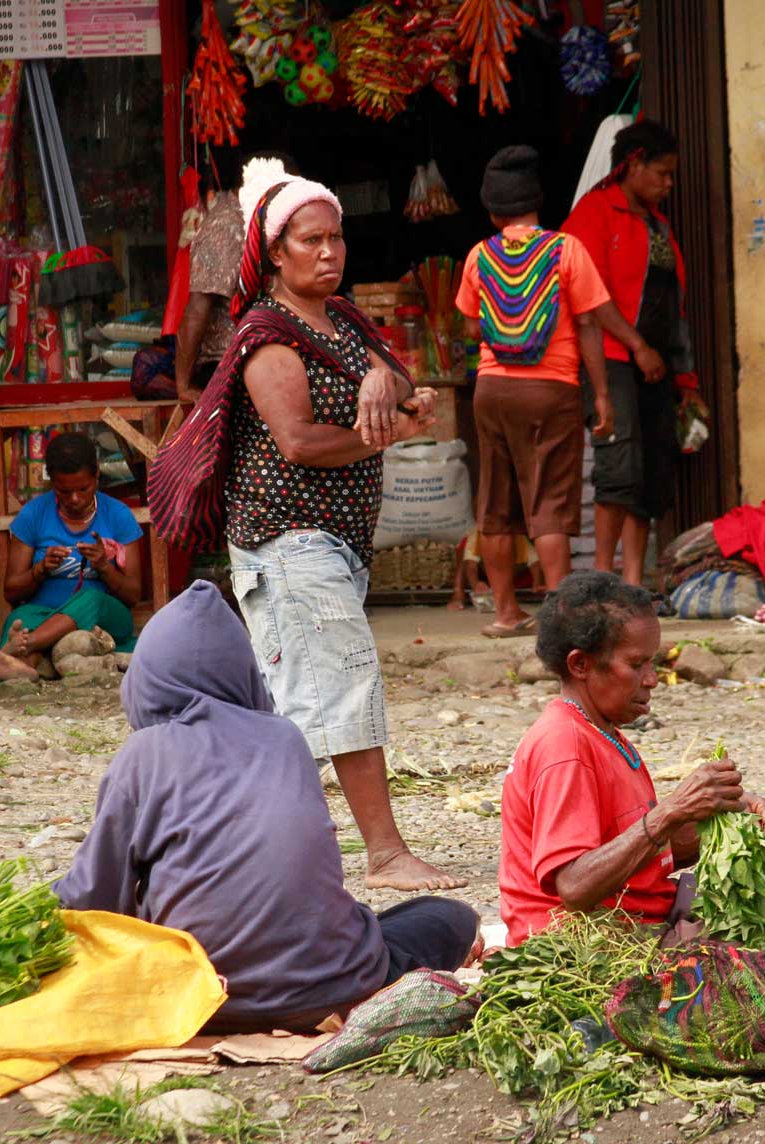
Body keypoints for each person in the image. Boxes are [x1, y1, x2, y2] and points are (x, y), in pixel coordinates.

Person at [56, 581, 479, 1032]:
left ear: (147, 679)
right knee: (452, 916)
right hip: (330, 988)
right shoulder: (284, 738)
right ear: (243, 672)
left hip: (199, 1002)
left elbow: (91, 898)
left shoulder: (143, 754)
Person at [221, 164, 461, 892]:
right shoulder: (267, 336)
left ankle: (255, 853)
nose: (328, 252)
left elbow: (412, 394)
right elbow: (296, 441)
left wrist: (384, 384)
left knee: (302, 704)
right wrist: (383, 432)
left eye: (336, 238)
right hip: (287, 539)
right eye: (310, 240)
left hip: (333, 541)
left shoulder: (344, 320)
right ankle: (385, 855)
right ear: (275, 252)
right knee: (346, 687)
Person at [499, 572, 765, 945]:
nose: (652, 680)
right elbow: (575, 886)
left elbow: (640, 858)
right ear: (580, 665)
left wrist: (726, 821)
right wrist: (670, 812)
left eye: (653, 663)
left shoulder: (602, 732)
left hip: (632, 922)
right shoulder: (564, 745)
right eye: (637, 665)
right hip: (585, 948)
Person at [455, 145, 648, 637]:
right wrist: (601, 395)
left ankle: (504, 613)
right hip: (552, 389)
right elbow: (588, 327)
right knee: (548, 508)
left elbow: (472, 325)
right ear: (538, 201)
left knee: (495, 507)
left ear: (493, 209)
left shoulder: (479, 255)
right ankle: (558, 621)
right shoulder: (566, 250)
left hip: (492, 390)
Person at [561, 120, 699, 586]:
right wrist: (637, 346)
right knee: (617, 469)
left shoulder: (658, 225)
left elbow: (673, 304)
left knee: (651, 474)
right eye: (661, 173)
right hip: (614, 361)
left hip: (656, 366)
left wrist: (686, 379)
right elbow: (590, 295)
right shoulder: (594, 213)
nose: (668, 184)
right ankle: (603, 577)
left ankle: (635, 582)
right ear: (633, 164)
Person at [0, 431, 143, 671]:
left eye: (83, 489)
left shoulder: (118, 516)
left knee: (91, 599)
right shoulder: (33, 514)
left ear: (97, 476)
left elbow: (134, 595)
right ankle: (24, 668)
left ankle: (26, 645)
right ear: (52, 482)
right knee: (20, 617)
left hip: (105, 617)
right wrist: (40, 570)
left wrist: (105, 568)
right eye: (64, 491)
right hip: (44, 612)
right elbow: (11, 592)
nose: (74, 499)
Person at [173, 154, 291, 402]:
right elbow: (197, 310)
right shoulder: (226, 225)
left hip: (265, 359)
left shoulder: (262, 222)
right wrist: (183, 385)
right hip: (231, 365)